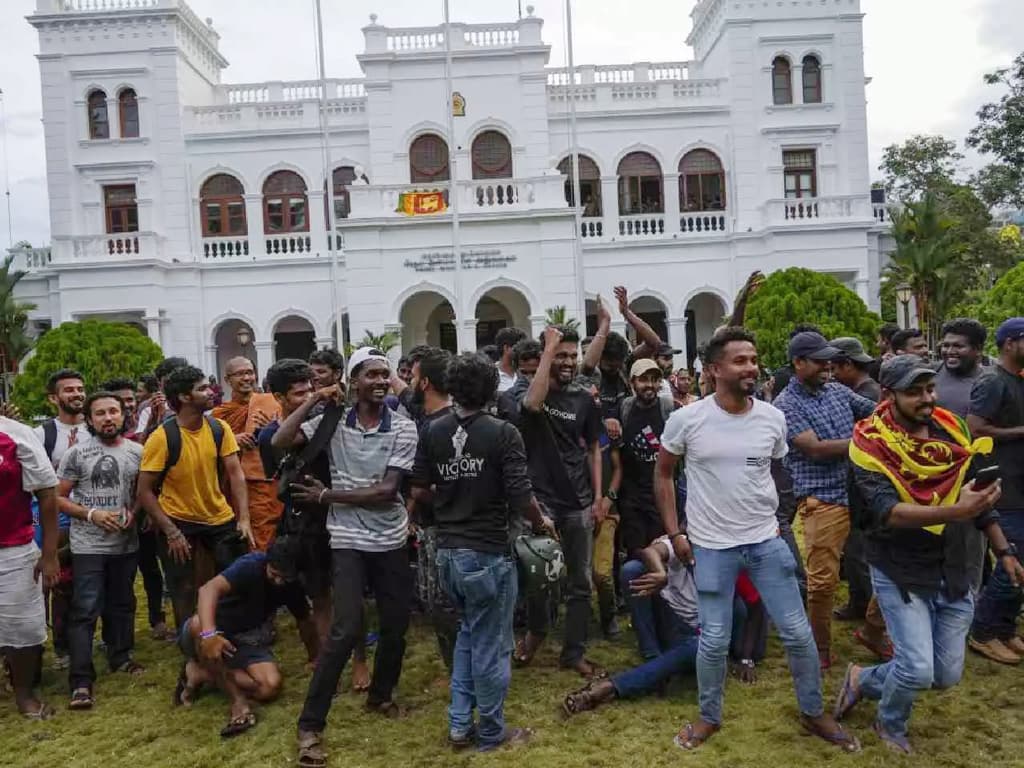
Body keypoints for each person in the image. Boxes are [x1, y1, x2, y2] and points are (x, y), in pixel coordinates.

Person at [654, 327, 859, 753]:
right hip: (711, 546)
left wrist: (782, 518)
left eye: (754, 359)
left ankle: (812, 711)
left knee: (798, 635)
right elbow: (663, 474)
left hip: (767, 542)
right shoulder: (687, 419)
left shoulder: (772, 417)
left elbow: (777, 471)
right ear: (713, 370)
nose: (752, 367)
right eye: (740, 360)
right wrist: (675, 533)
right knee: (713, 639)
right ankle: (709, 716)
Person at [836, 355, 1021, 754]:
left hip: (955, 567)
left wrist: (1003, 549)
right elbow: (888, 511)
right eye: (914, 391)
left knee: (945, 675)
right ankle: (890, 722)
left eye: (929, 388)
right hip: (900, 568)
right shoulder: (869, 444)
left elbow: (972, 492)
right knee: (918, 669)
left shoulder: (951, 430)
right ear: (888, 394)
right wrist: (957, 511)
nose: (927, 398)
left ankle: (861, 680)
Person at [275, 347, 418, 766]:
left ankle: (381, 696)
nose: (378, 380)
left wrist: (326, 495)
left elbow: (387, 492)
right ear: (353, 381)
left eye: (384, 374)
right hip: (347, 537)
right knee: (345, 628)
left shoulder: (404, 428)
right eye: (370, 374)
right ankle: (310, 725)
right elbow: (282, 440)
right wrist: (315, 399)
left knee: (396, 625)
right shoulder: (333, 421)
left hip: (390, 536)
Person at [411, 352, 555, 751]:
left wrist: (450, 497)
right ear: (493, 388)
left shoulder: (433, 430)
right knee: (492, 648)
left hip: (447, 553)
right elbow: (521, 494)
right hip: (488, 553)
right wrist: (542, 523)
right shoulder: (504, 432)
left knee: (468, 638)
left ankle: (459, 726)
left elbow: (419, 488)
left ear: (453, 388)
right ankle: (491, 733)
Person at [772, 331, 885, 669]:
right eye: (820, 361)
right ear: (798, 363)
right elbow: (816, 449)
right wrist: (867, 442)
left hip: (862, 492)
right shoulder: (785, 405)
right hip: (822, 498)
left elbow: (877, 413)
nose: (828, 366)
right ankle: (818, 648)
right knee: (823, 581)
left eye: (830, 360)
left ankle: (874, 630)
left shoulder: (837, 390)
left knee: (890, 564)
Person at [563, 538, 765, 715]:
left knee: (701, 645)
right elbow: (648, 552)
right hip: (672, 622)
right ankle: (652, 656)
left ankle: (610, 688)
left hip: (702, 637)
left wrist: (746, 658)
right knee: (632, 570)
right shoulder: (682, 545)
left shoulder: (731, 562)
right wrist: (660, 573)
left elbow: (755, 604)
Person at [513, 326, 604, 678]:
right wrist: (548, 349)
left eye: (571, 356)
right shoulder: (530, 391)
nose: (568, 362)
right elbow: (532, 405)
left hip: (578, 501)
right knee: (540, 579)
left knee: (580, 581)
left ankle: (574, 652)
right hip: (542, 501)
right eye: (560, 355)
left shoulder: (584, 400)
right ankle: (536, 634)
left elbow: (595, 448)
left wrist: (598, 498)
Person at [137, 365, 253, 629]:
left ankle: (234, 636)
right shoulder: (162, 438)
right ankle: (191, 648)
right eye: (202, 388)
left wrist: (244, 519)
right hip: (179, 520)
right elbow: (144, 491)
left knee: (234, 580)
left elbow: (236, 475)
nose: (211, 391)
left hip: (220, 517)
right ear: (184, 397)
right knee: (184, 589)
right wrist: (171, 532)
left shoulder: (218, 428)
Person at [176, 536, 318, 738]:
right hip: (211, 631)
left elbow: (305, 620)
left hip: (247, 639)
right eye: (274, 574)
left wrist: (315, 657)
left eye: (284, 578)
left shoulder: (292, 584)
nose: (278, 582)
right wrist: (210, 634)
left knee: (269, 687)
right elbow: (208, 590)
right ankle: (237, 700)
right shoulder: (250, 565)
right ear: (267, 563)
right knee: (198, 624)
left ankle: (200, 673)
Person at [57, 391, 145, 709]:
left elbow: (142, 492)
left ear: (123, 415)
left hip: (125, 544)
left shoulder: (137, 451)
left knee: (122, 603)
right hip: (88, 546)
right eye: (100, 413)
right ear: (90, 420)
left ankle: (121, 656)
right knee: (85, 610)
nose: (108, 418)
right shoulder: (77, 454)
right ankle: (81, 680)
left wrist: (134, 512)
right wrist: (91, 514)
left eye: (113, 411)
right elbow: (58, 497)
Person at [259, 359, 333, 652]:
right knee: (318, 594)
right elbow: (274, 478)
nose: (307, 398)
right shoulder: (268, 436)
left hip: (335, 511)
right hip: (301, 522)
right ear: (278, 397)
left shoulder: (325, 421)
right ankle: (324, 656)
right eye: (298, 394)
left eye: (310, 390)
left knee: (342, 593)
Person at [967, 317, 1024, 664]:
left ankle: (1005, 629)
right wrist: (1020, 431)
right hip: (1005, 487)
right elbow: (976, 429)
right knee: (1013, 560)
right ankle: (983, 631)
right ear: (1009, 343)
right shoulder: (991, 381)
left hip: (1022, 482)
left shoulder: (1018, 379)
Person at [0, 415, 60, 719]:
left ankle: (24, 694)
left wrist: (50, 554)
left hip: (13, 550)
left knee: (21, 627)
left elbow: (48, 493)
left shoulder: (16, 434)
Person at [405, 347, 459, 669]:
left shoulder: (437, 426)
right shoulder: (441, 419)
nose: (408, 383)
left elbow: (429, 486)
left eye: (412, 377)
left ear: (424, 383)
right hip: (438, 525)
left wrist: (422, 497)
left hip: (444, 530)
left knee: (442, 603)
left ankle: (457, 669)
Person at [34, 368, 86, 669]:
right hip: (51, 517)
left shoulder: (95, 427)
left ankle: (68, 644)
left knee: (76, 583)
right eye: (69, 390)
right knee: (45, 581)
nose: (77, 394)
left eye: (80, 389)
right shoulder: (42, 434)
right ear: (54, 397)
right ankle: (35, 645)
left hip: (86, 516)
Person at [826, 337, 880, 623]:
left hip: (867, 484)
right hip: (860, 483)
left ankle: (865, 608)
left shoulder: (867, 395)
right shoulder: (862, 391)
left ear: (848, 365)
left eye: (834, 367)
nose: (831, 375)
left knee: (859, 549)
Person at [213, 357, 283, 552]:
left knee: (269, 535)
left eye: (250, 372)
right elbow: (210, 446)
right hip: (235, 483)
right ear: (228, 380)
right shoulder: (220, 414)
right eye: (240, 374)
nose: (246, 378)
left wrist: (271, 427)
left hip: (267, 482)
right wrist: (232, 439)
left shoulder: (272, 403)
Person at [934, 318, 988, 419]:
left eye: (958, 346)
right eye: (946, 345)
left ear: (978, 349)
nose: (950, 351)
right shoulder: (929, 373)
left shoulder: (991, 382)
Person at [135, 357, 189, 437]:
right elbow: (143, 444)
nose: (175, 386)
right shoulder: (149, 408)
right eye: (169, 381)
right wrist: (156, 418)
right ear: (159, 383)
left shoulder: (198, 403)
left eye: (180, 380)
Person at [496, 339, 541, 422]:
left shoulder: (555, 394)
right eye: (524, 373)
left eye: (535, 373)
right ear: (516, 369)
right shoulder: (506, 399)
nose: (530, 379)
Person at [829, 338, 881, 402]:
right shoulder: (874, 389)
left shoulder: (863, 399)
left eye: (832, 369)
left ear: (848, 364)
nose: (831, 375)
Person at [495, 327, 527, 394]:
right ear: (506, 348)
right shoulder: (491, 375)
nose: (522, 351)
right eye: (519, 347)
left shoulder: (526, 373)